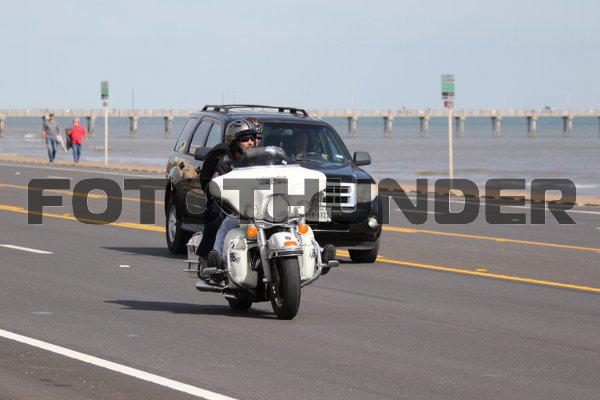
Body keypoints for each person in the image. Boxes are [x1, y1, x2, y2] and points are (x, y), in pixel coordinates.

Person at [196, 118, 262, 272]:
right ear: (234, 141)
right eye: (245, 139)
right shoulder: (222, 158)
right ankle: (211, 258)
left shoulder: (258, 159)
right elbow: (212, 185)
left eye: (253, 138)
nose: (251, 142)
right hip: (227, 202)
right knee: (216, 215)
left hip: (254, 202)